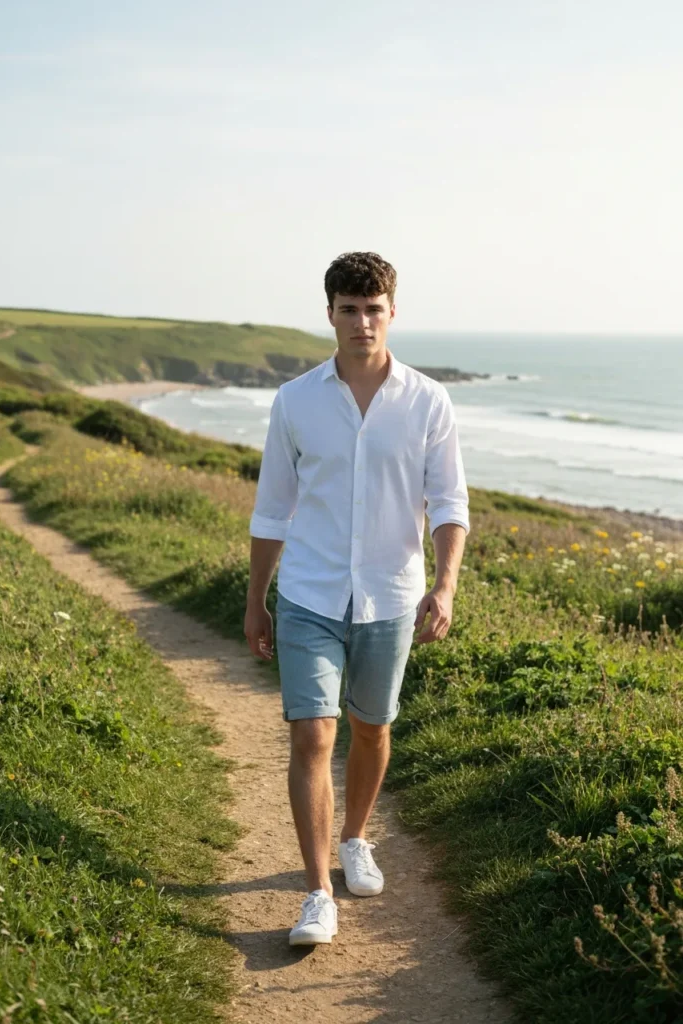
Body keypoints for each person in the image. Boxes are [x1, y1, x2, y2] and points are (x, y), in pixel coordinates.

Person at [244, 251, 470, 946]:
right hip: (309, 591)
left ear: (391, 312)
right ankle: (316, 892)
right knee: (314, 733)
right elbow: (272, 508)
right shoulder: (295, 401)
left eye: (373, 309)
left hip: (391, 595)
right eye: (348, 309)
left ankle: (354, 838)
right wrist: (257, 599)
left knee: (372, 727)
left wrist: (444, 584)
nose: (362, 321)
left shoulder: (427, 400)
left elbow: (450, 501)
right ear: (331, 314)